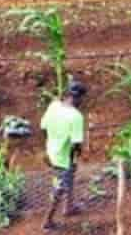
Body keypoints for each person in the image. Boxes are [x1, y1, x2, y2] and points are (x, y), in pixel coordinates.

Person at [41, 79, 87, 231]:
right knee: (59, 187)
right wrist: (76, 155)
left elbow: (43, 127)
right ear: (78, 97)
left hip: (51, 152)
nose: (82, 102)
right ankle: (47, 221)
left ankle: (69, 207)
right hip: (63, 158)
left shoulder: (53, 106)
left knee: (69, 178)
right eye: (81, 99)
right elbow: (76, 144)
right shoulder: (76, 116)